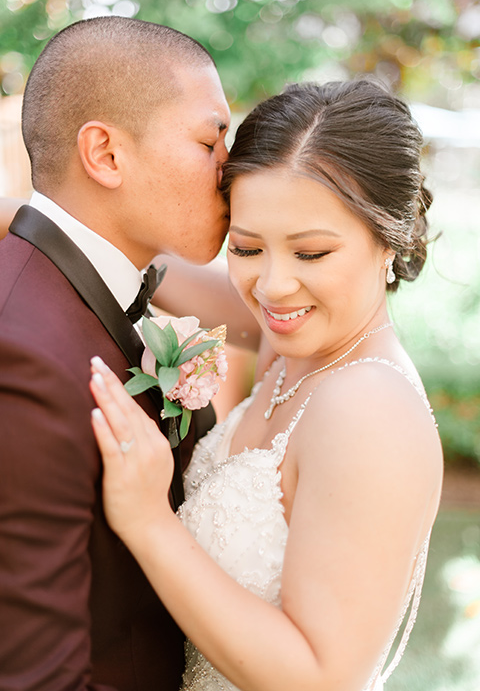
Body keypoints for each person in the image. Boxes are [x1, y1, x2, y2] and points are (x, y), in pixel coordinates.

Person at [89, 78, 444, 691]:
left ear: (390, 240)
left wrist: (149, 523)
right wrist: (38, 219)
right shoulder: (298, 340)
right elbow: (169, 274)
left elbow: (319, 677)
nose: (272, 287)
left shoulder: (368, 410)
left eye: (310, 254)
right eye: (247, 247)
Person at [0, 16, 259, 691]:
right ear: (106, 155)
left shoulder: (119, 296)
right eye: (212, 140)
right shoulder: (19, 350)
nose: (233, 169)